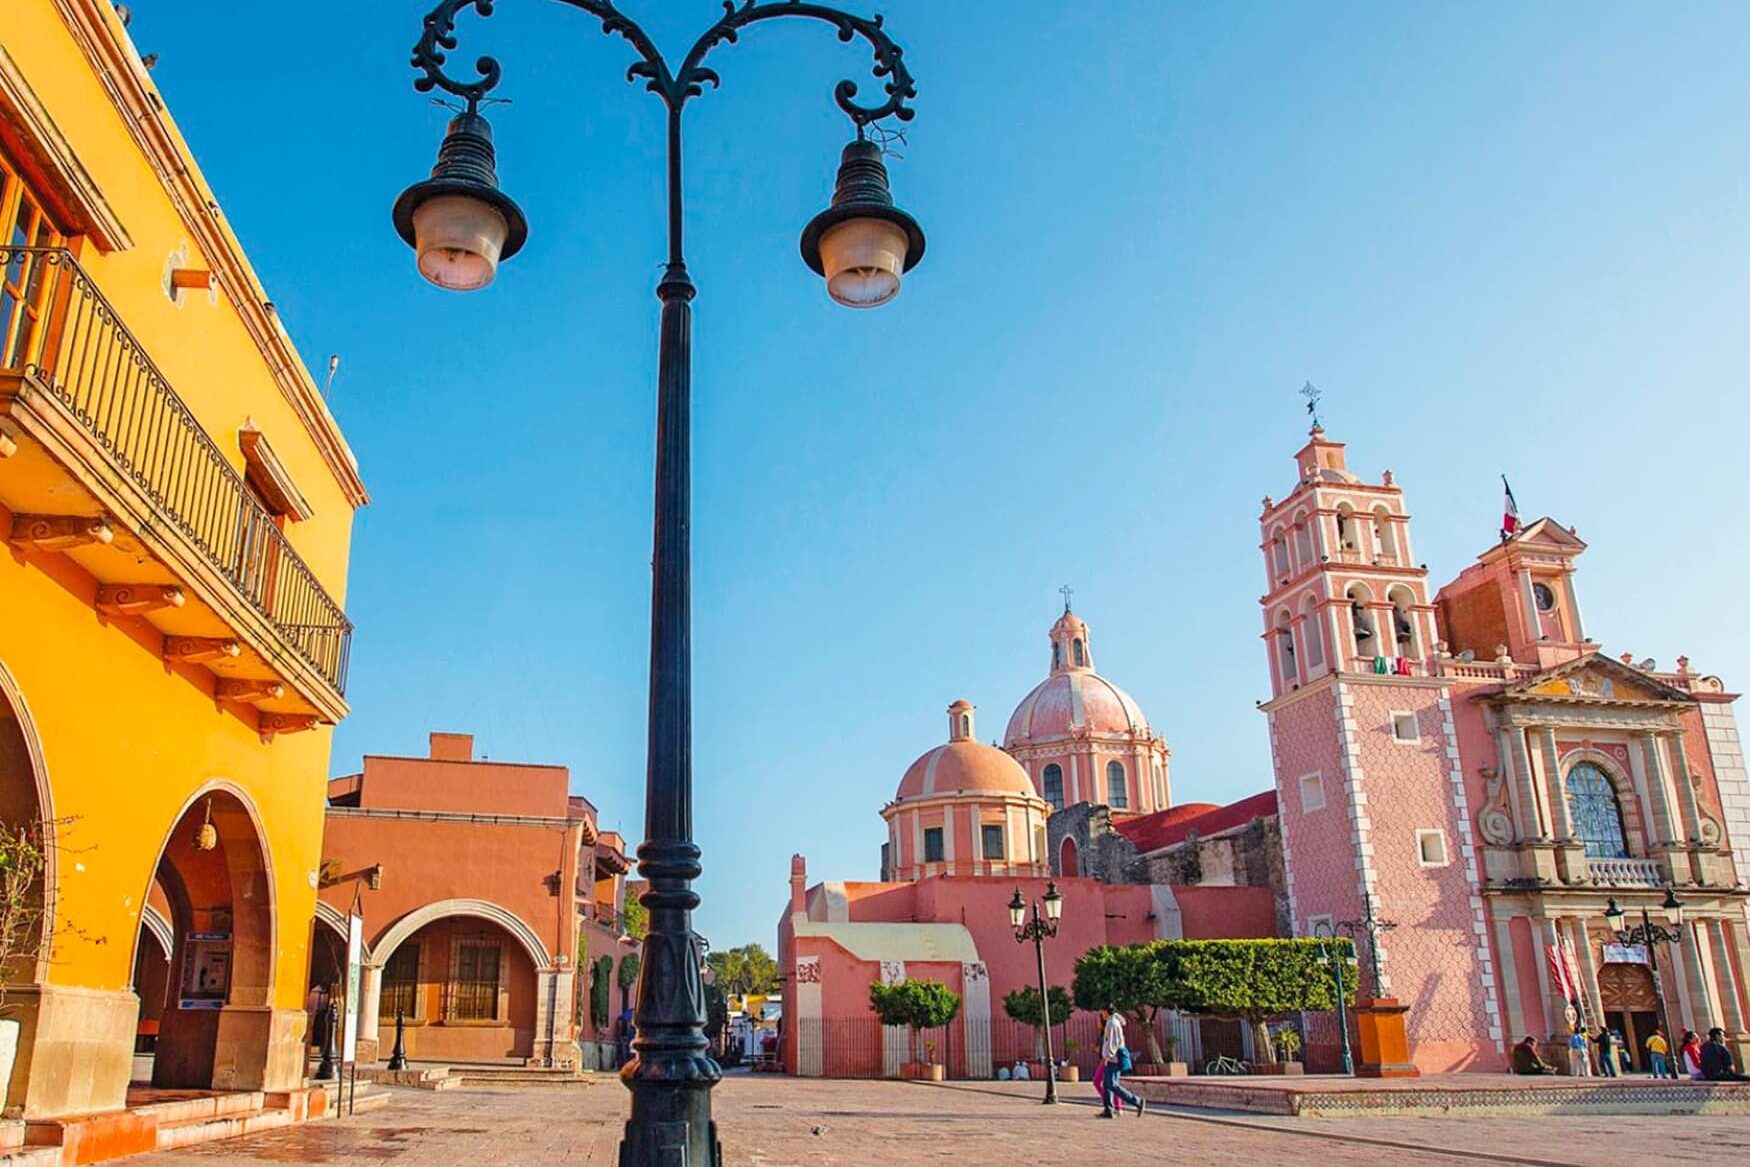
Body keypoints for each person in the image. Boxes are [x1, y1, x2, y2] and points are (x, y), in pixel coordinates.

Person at [1097, 1008, 1144, 1119]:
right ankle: (1109, 1109)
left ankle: (1137, 1101)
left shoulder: (1111, 1023)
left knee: (1111, 1083)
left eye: (1102, 1012)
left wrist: (1107, 1056)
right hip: (1113, 1057)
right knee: (1107, 1084)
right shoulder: (1113, 1021)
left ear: (1106, 1011)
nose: (1101, 1015)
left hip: (1114, 1058)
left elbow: (1112, 1042)